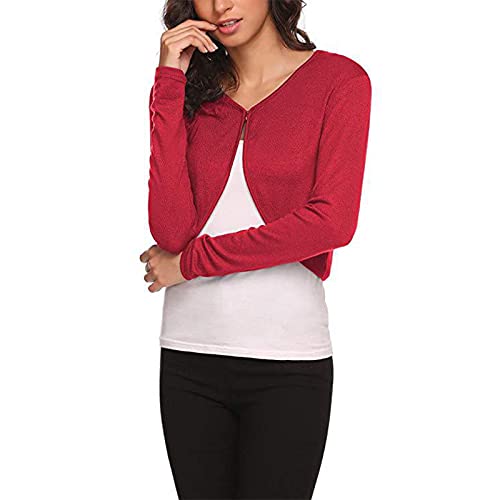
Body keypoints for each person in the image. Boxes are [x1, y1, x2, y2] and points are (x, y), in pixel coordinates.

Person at [139, 0, 372, 498]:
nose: (220, 5)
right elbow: (171, 231)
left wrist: (192, 264)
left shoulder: (339, 81)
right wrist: (169, 80)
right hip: (189, 356)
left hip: (287, 361)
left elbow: (331, 222)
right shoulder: (189, 90)